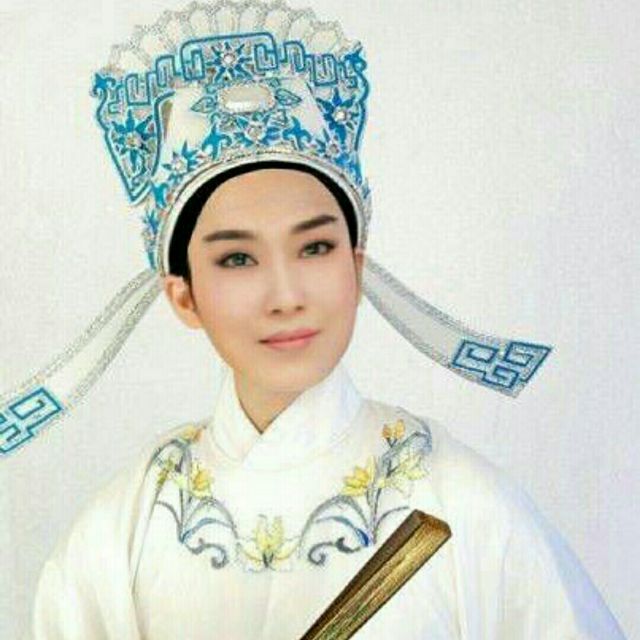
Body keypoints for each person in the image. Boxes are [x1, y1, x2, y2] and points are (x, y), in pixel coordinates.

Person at [15, 0, 626, 638]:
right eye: (237, 258)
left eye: (315, 248)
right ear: (184, 297)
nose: (286, 295)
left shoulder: (468, 506)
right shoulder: (120, 534)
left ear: (356, 269)